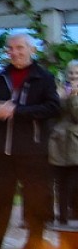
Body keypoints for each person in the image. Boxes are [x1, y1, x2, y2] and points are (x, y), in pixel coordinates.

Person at [0, 33, 61, 249]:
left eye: (20, 47)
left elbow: (52, 107)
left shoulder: (44, 77)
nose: (15, 52)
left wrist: (18, 110)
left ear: (31, 50)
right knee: (0, 203)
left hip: (33, 152)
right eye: (10, 48)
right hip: (3, 151)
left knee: (35, 205)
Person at [50, 60, 78, 225]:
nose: (73, 76)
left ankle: (74, 212)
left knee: (74, 182)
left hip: (75, 144)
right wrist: (59, 98)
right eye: (71, 73)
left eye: (76, 73)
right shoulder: (60, 90)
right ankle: (62, 216)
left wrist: (74, 98)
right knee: (61, 183)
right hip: (59, 143)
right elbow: (53, 114)